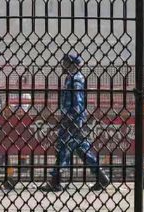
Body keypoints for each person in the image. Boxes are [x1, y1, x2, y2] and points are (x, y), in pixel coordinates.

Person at [39, 53, 111, 191]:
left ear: (71, 64)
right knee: (82, 149)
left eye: (65, 63)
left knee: (63, 148)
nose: (63, 65)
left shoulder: (75, 79)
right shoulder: (71, 78)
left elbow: (77, 100)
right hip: (72, 119)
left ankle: (55, 181)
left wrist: (74, 119)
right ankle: (102, 177)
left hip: (72, 119)